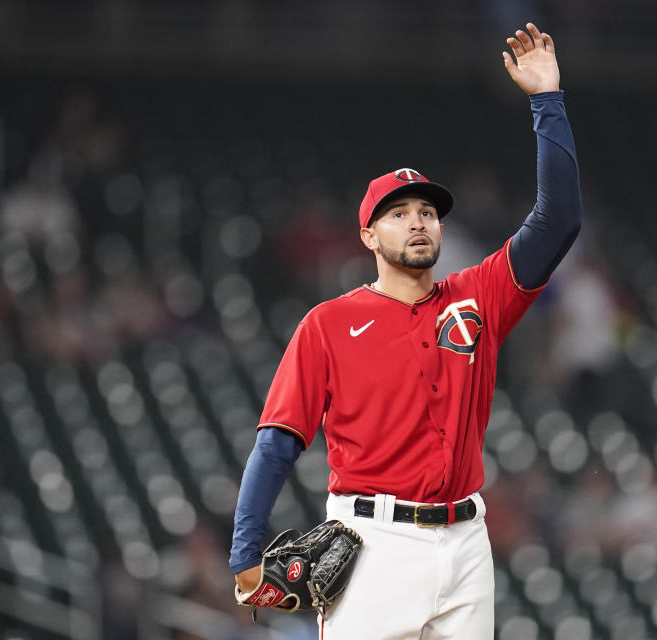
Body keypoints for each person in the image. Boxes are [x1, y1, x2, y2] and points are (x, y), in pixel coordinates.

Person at [229, 22, 582, 639]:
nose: (418, 222)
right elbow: (277, 442)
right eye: (398, 214)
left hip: (469, 540)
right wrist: (244, 555)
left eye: (427, 212)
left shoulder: (479, 295)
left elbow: (558, 222)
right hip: (371, 543)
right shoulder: (328, 324)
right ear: (368, 235)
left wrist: (546, 100)